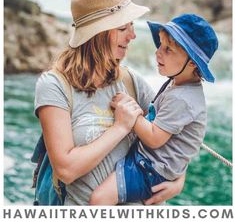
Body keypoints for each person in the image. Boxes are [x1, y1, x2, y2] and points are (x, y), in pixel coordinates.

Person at [35, 0, 185, 205]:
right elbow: (66, 169)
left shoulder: (132, 81)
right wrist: (121, 127)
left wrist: (179, 181)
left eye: (132, 26)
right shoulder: (54, 85)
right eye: (123, 28)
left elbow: (174, 137)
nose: (132, 35)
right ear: (97, 34)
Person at [90, 14, 218, 205]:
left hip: (151, 169)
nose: (158, 52)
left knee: (99, 199)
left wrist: (130, 110)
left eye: (168, 49)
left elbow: (154, 138)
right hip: (152, 162)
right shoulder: (178, 83)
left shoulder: (182, 99)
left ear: (192, 63)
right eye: (160, 45)